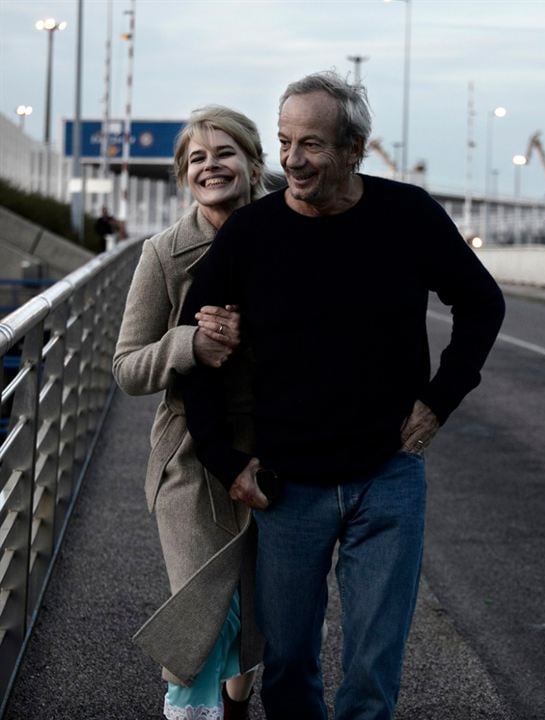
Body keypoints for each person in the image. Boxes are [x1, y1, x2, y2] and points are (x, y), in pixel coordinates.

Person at [177, 72, 506, 720]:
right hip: (285, 486)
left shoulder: (407, 215)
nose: (293, 161)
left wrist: (438, 401)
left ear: (353, 148)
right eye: (284, 142)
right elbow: (197, 352)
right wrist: (226, 462)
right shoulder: (250, 234)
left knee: (371, 670)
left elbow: (480, 303)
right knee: (291, 664)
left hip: (386, 479)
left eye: (312, 144)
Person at [113, 105, 269, 720]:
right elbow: (126, 368)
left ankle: (236, 706)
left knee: (259, 611)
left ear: (254, 163)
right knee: (202, 609)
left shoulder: (291, 231)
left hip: (275, 447)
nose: (211, 166)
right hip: (188, 462)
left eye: (225, 153)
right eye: (197, 159)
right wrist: (188, 345)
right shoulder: (163, 253)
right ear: (184, 175)